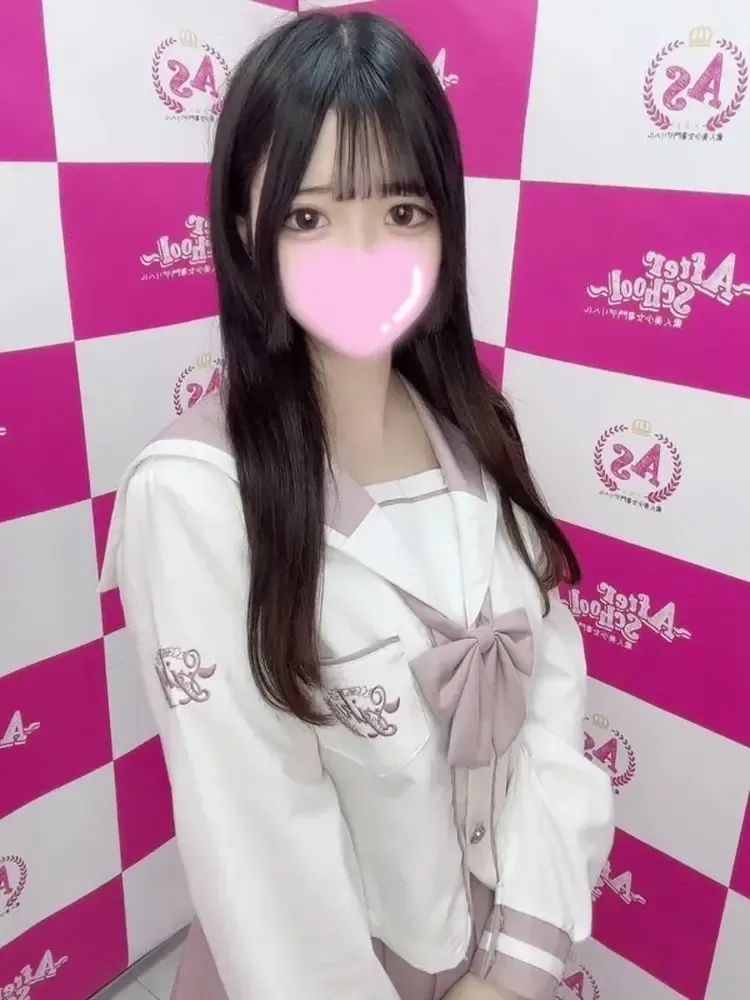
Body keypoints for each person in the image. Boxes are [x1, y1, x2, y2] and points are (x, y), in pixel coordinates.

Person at [100, 10, 614, 1000]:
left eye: (403, 211)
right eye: (309, 217)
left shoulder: (478, 430)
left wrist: (513, 969)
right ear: (243, 227)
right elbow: (262, 853)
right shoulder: (198, 499)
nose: (364, 254)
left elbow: (553, 704)